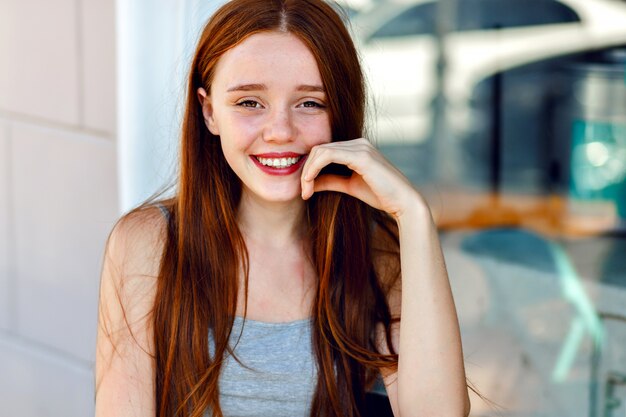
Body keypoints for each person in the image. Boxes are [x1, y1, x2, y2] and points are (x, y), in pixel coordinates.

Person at [95, 0, 471, 416]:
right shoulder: (149, 243)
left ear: (339, 112)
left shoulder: (376, 250)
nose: (280, 132)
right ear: (209, 111)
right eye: (249, 103)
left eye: (310, 103)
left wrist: (414, 217)